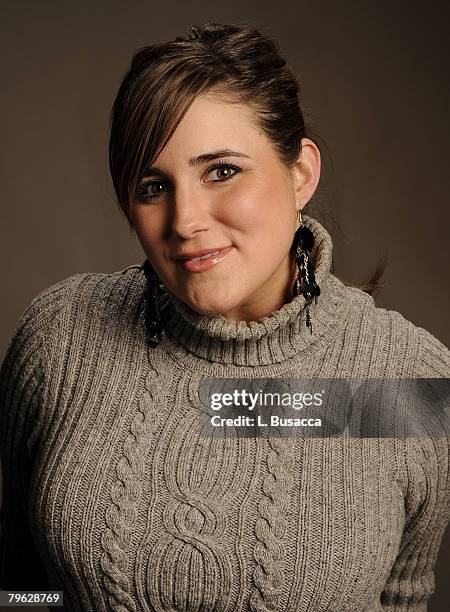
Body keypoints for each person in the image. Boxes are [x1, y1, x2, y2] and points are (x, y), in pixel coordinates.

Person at [1, 20, 449, 612]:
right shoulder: (62, 339)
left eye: (222, 171)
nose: (185, 220)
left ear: (300, 174)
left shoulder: (406, 381)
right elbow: (19, 586)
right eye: (153, 186)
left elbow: (403, 599)